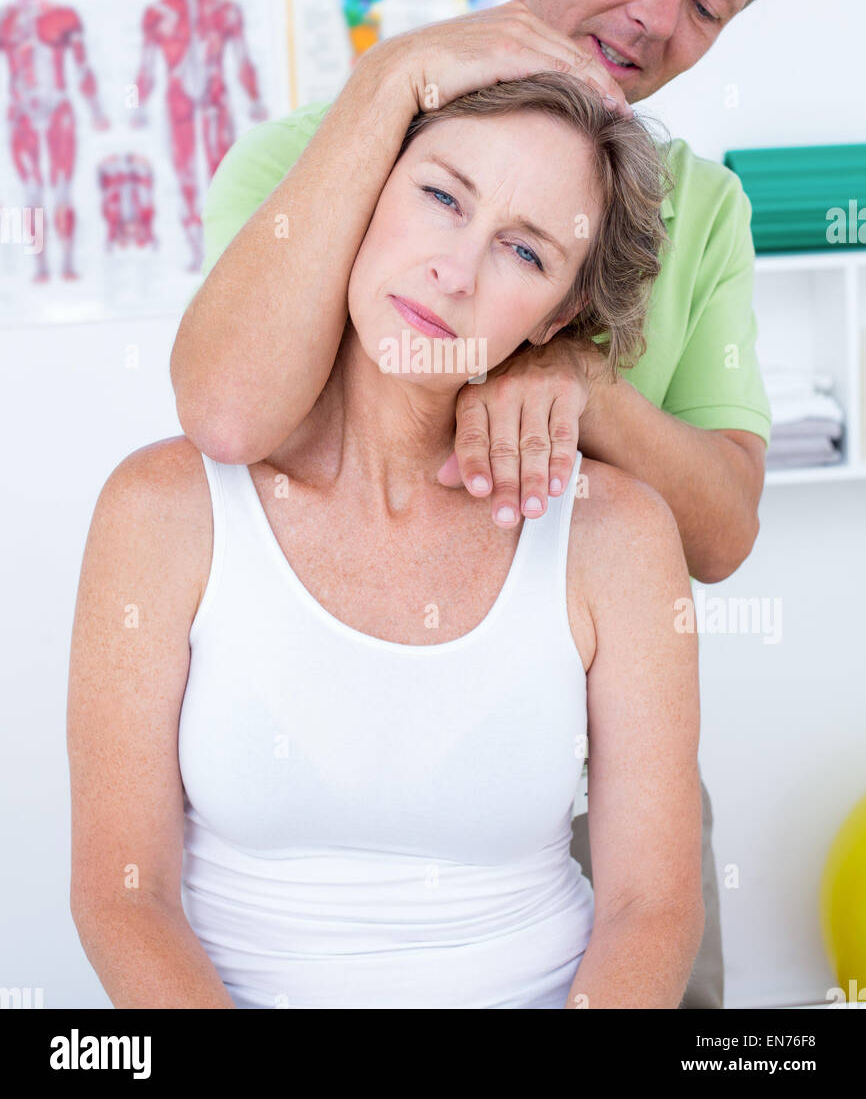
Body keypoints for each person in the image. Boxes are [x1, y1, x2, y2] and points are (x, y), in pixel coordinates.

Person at [169, 0, 804, 1008]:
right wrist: (389, 82)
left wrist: (578, 382)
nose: (656, 14)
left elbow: (720, 532)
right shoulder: (302, 155)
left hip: (593, 787)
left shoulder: (706, 210)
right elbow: (237, 415)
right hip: (325, 773)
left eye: (708, 4)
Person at [67, 69, 703, 1009]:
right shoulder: (161, 509)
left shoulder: (616, 535)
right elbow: (125, 900)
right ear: (365, 192)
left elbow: (652, 906)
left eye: (524, 254)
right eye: (441, 196)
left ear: (560, 317)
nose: (456, 269)